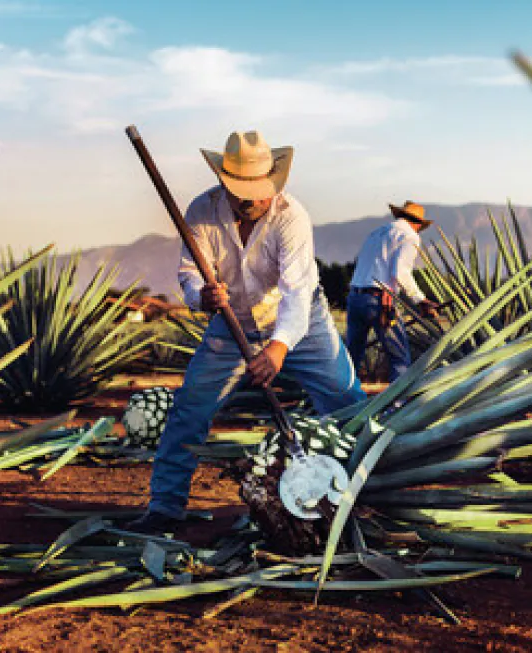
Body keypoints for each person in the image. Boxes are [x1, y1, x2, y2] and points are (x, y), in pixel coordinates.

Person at [128, 130, 366, 534]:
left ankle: (370, 493)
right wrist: (201, 297)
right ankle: (165, 507)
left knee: (348, 403)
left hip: (300, 324)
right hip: (230, 324)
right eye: (243, 190)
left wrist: (277, 349)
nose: (253, 198)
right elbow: (188, 273)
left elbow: (295, 293)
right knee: (190, 410)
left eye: (260, 189)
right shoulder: (201, 212)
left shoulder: (291, 217)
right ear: (225, 182)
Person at [346, 200, 439, 382]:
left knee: (351, 358)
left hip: (355, 298)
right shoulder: (410, 236)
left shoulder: (376, 233)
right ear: (418, 224)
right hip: (379, 302)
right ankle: (398, 407)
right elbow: (400, 272)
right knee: (399, 359)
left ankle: (343, 403)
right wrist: (421, 300)